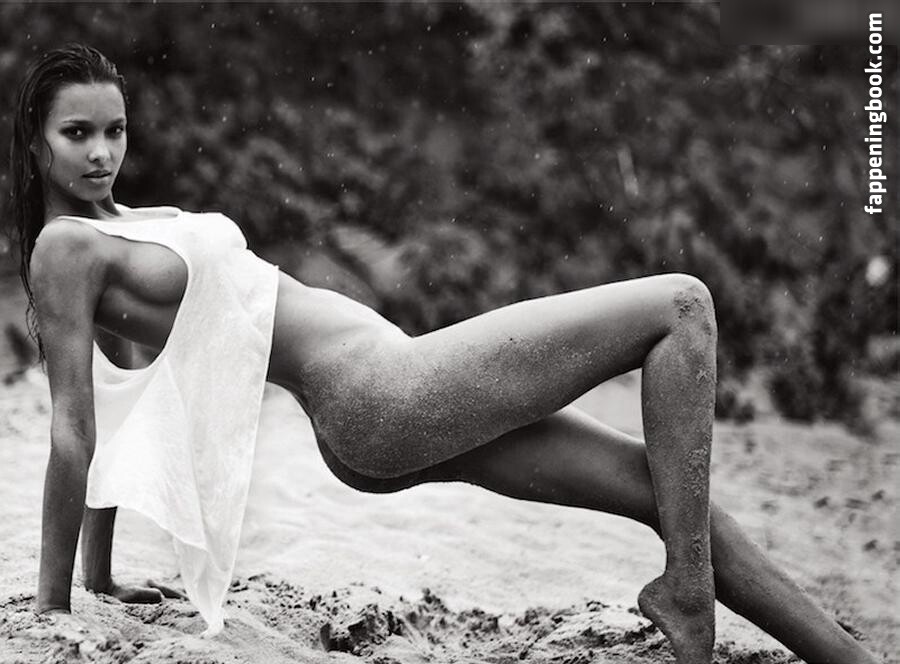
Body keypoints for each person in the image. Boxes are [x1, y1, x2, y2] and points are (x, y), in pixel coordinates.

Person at [6, 43, 879, 664]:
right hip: (386, 394)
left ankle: (844, 655)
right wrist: (54, 605)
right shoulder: (65, 250)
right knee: (682, 304)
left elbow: (127, 405)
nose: (103, 152)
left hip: (386, 407)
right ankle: (687, 592)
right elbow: (78, 427)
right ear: (34, 142)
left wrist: (102, 578)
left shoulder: (121, 228)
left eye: (115, 129)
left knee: (673, 493)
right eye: (77, 133)